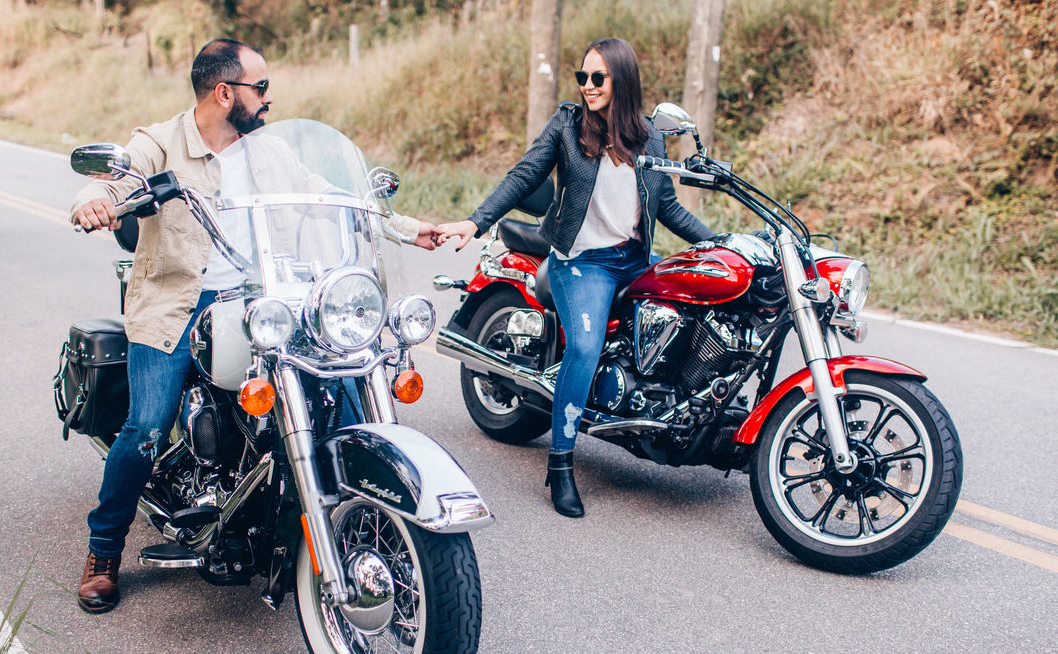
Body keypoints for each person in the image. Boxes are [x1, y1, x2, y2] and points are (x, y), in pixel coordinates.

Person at [70, 38, 441, 614]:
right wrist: (94, 200)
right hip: (178, 303)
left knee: (337, 387)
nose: (268, 99)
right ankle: (104, 549)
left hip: (264, 298)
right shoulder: (160, 142)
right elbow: (117, 178)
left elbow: (329, 195)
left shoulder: (268, 152)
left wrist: (407, 227)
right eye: (260, 87)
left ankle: (336, 514)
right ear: (225, 93)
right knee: (146, 426)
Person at [437, 37, 715, 519]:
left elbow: (665, 205)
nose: (587, 86)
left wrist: (719, 243)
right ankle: (560, 465)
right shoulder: (568, 126)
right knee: (584, 348)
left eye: (597, 78)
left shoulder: (648, 136)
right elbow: (524, 176)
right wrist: (475, 221)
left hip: (632, 258)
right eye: (582, 77)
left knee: (688, 310)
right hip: (579, 261)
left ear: (622, 80)